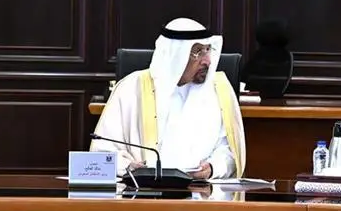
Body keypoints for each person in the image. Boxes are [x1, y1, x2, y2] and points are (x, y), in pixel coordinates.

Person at [91, 18, 246, 179]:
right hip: (143, 190)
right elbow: (103, 152)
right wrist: (129, 168)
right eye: (198, 52)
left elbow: (230, 151)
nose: (207, 61)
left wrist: (213, 168)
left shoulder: (219, 90)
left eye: (208, 50)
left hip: (202, 191)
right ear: (175, 55)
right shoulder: (130, 89)